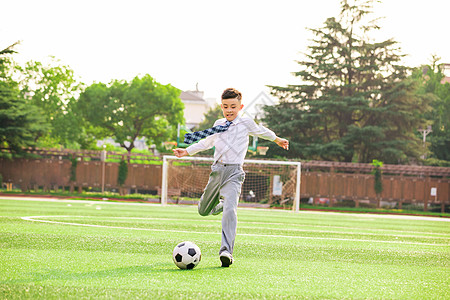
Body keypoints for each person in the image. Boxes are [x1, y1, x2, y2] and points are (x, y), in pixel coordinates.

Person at [172, 88, 289, 267]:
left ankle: (226, 251)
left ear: (240, 106)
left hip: (234, 173)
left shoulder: (246, 123)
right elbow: (206, 142)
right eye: (226, 106)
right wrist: (186, 151)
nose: (229, 110)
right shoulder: (219, 124)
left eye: (233, 106)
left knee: (230, 210)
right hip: (217, 171)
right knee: (203, 210)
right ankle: (219, 205)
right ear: (222, 107)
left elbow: (262, 131)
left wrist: (277, 139)